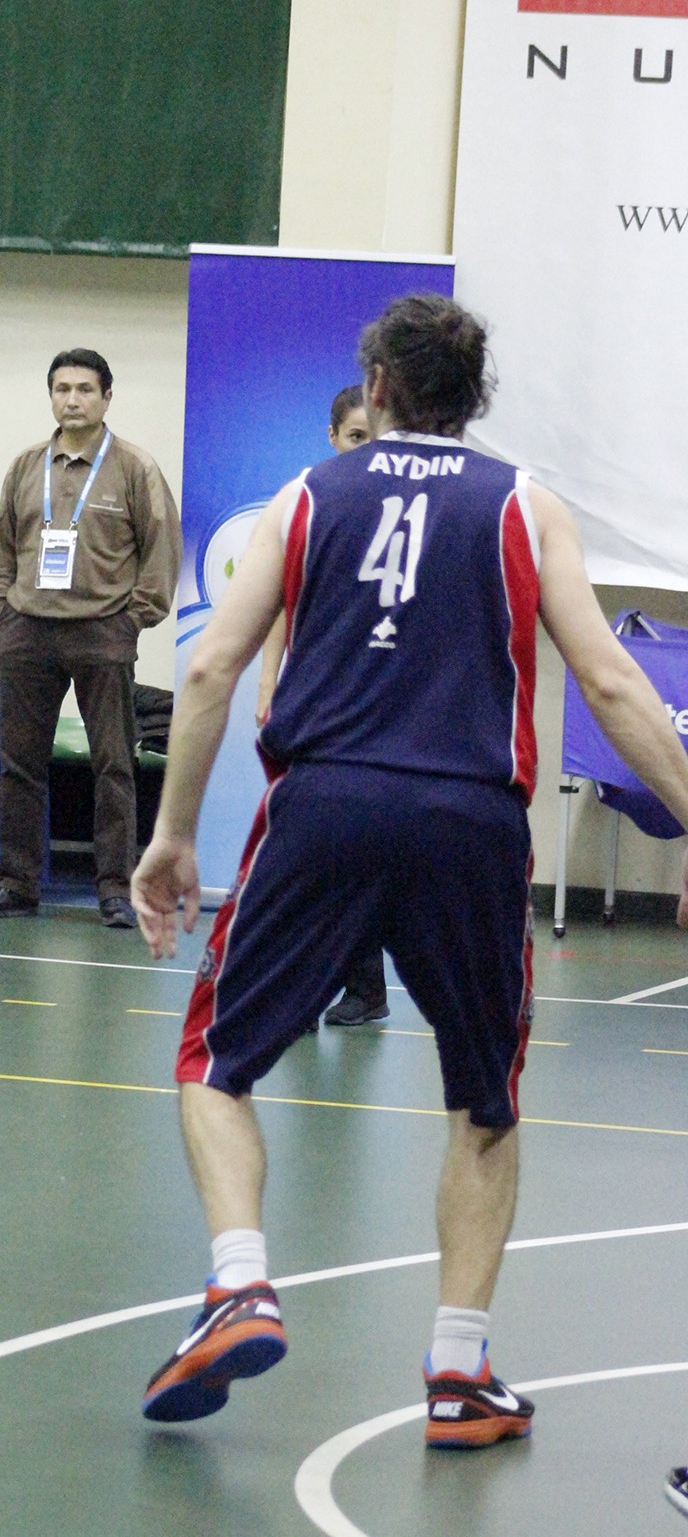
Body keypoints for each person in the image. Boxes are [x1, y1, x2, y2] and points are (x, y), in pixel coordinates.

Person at [131, 294, 688, 1444]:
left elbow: (211, 670)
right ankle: (458, 1372)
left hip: (326, 806)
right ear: (474, 398)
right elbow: (612, 682)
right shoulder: (527, 506)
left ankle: (239, 1283)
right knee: (484, 1099)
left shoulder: (306, 496)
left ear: (376, 387)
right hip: (471, 822)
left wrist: (173, 832)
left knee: (213, 1063)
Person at [0, 348, 182, 928]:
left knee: (113, 765)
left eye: (85, 389)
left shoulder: (134, 468)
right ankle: (16, 884)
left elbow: (162, 551)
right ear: (51, 397)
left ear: (107, 398)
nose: (73, 400)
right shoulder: (26, 466)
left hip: (103, 633)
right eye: (62, 389)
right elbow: (2, 544)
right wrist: (3, 606)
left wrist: (132, 620)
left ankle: (115, 890)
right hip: (27, 633)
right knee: (19, 765)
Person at [255, 384, 388, 1029]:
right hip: (314, 706)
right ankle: (307, 990)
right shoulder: (307, 506)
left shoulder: (402, 516)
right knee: (303, 855)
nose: (365, 449)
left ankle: (364, 988)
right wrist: (267, 688)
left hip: (375, 707)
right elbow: (280, 605)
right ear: (332, 437)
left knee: (349, 856)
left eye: (376, 438)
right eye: (355, 437)